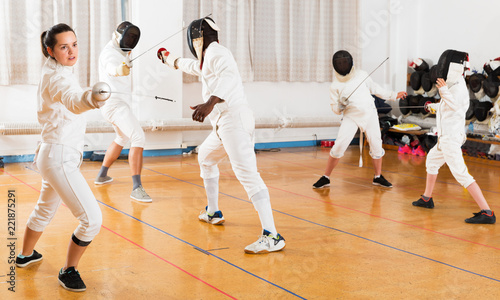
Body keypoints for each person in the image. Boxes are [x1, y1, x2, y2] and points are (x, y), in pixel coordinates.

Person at [157, 17, 285, 254]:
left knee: (247, 175)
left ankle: (272, 236)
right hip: (224, 124)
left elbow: (228, 78)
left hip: (233, 120)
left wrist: (209, 102)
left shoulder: (218, 53)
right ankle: (213, 212)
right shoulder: (209, 58)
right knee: (205, 157)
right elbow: (191, 66)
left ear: (197, 38)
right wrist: (168, 59)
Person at [15, 23, 110, 292]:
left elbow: (72, 96)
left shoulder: (57, 70)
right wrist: (91, 98)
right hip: (58, 157)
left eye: (74, 45)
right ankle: (69, 270)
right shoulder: (58, 78)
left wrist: (89, 95)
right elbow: (72, 99)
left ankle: (25, 255)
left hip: (51, 153)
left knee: (45, 208)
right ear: (50, 50)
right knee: (92, 220)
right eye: (63, 47)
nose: (71, 51)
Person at [412, 49, 496, 224]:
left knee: (461, 174)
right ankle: (427, 198)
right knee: (432, 162)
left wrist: (443, 92)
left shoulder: (458, 89)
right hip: (445, 138)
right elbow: (447, 107)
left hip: (451, 139)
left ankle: (487, 212)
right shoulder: (450, 86)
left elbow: (457, 108)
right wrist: (433, 106)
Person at [312, 50, 407, 189]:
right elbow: (335, 109)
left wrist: (393, 95)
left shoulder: (361, 75)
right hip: (351, 116)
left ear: (350, 63)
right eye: (340, 63)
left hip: (370, 113)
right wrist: (340, 105)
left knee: (376, 144)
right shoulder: (335, 85)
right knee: (339, 145)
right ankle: (326, 177)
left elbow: (375, 89)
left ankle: (378, 177)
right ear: (335, 65)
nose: (343, 65)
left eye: (345, 62)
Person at [94, 21, 152, 203]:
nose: (131, 40)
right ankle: (137, 188)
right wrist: (119, 69)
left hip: (114, 104)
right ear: (118, 36)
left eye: (133, 38)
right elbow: (111, 68)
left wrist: (125, 60)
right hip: (114, 105)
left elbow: (122, 58)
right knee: (138, 137)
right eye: (128, 37)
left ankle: (102, 175)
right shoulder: (109, 54)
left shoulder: (121, 50)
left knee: (121, 138)